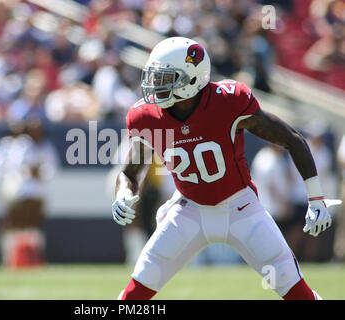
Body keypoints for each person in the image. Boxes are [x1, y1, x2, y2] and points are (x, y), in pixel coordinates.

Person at [111, 37, 341, 300]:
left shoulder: (228, 102)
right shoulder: (146, 116)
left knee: (296, 291)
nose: (154, 86)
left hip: (241, 208)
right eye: (154, 77)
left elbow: (292, 139)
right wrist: (123, 193)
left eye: (165, 78)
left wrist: (316, 197)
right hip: (188, 210)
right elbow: (128, 173)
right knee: (133, 294)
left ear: (192, 79)